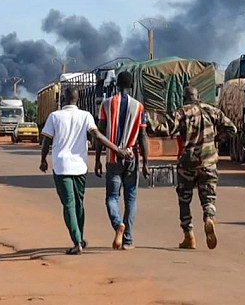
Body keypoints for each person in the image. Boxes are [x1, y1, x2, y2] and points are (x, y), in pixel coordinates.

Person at [40, 88, 130, 255]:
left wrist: (43, 160)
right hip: (80, 167)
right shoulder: (86, 116)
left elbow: (47, 141)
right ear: (78, 99)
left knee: (69, 205)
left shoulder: (55, 116)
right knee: (79, 204)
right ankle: (79, 238)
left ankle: (77, 242)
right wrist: (117, 149)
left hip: (62, 167)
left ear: (63, 99)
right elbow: (98, 136)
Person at [167, 86, 236, 250]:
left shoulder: (182, 112)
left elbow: (167, 129)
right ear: (198, 97)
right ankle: (209, 218)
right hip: (209, 162)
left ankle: (189, 236)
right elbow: (232, 129)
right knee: (209, 197)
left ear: (185, 98)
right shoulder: (212, 111)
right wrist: (215, 139)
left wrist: (149, 123)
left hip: (188, 164)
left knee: (184, 199)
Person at [95, 72, 150, 250]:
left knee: (112, 197)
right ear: (131, 86)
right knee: (131, 199)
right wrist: (146, 163)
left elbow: (100, 134)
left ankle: (118, 223)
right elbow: (143, 136)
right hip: (132, 157)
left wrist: (97, 159)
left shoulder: (106, 104)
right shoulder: (139, 107)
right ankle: (127, 240)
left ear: (116, 85)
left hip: (113, 157)